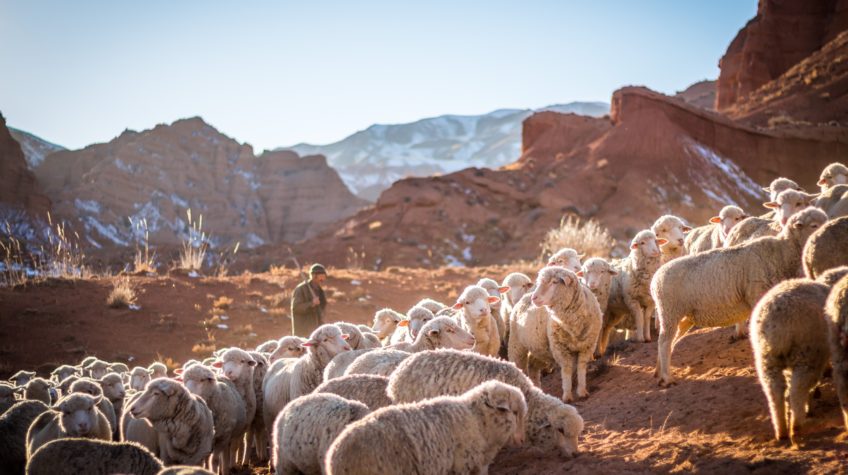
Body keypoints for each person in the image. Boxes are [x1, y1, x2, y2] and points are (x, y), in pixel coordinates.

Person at [290, 264, 328, 337]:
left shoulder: (320, 291)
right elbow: (296, 308)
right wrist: (311, 303)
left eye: (324, 276)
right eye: (321, 276)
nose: (323, 279)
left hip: (316, 332)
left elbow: (321, 310)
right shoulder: (301, 289)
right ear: (314, 275)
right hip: (303, 332)